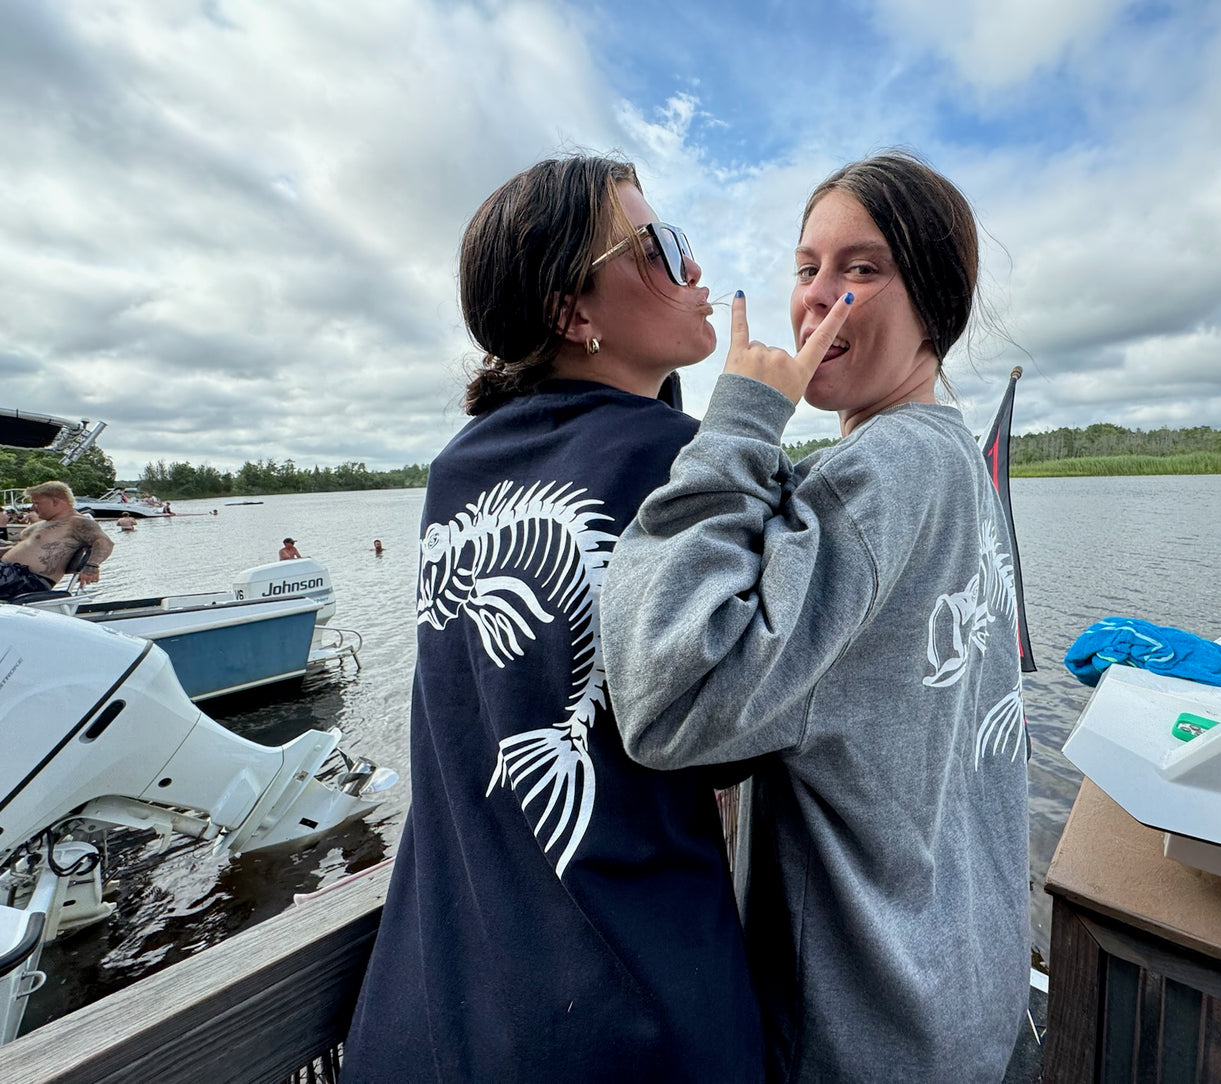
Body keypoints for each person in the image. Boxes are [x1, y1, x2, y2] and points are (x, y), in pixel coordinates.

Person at [602, 153, 1031, 1082]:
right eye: (807, 269)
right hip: (964, 987)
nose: (819, 301)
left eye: (862, 270)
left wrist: (741, 423)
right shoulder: (953, 460)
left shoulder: (873, 480)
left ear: (937, 302)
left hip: (863, 1019)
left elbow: (667, 700)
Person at [343, 155, 763, 1083]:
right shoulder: (676, 458)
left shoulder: (459, 468)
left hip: (438, 996)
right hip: (632, 1008)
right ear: (573, 313)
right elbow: (734, 731)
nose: (693, 271)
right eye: (658, 247)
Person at [0, 481, 115, 599]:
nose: (33, 507)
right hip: (8, 572)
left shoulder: (77, 522)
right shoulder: (46, 523)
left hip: (25, 579)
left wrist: (92, 566)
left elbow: (104, 542)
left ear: (55, 502)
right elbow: (28, 549)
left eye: (36, 503)